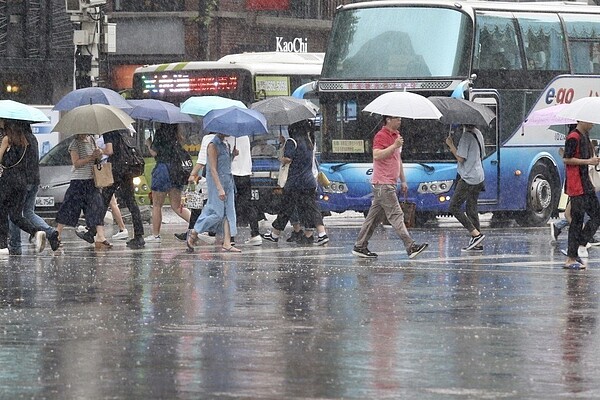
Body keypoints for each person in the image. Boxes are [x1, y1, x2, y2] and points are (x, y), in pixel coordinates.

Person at [352, 115, 428, 259]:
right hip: (383, 183)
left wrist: (403, 180)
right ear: (388, 119)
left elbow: (397, 160)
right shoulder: (381, 136)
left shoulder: (397, 136)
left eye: (400, 118)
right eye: (396, 118)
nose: (400, 121)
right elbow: (377, 155)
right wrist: (394, 146)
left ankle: (360, 245)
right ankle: (410, 246)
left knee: (373, 218)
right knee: (396, 215)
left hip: (389, 183)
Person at [261, 120, 329, 245]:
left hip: (295, 182)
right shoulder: (309, 141)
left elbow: (287, 159)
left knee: (286, 208)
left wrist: (280, 155)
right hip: (309, 181)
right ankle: (322, 234)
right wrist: (283, 143)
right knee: (311, 208)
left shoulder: (292, 141)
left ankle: (275, 234)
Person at [2, 120, 60, 255]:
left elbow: (10, 162)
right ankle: (50, 233)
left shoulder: (16, 140)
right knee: (28, 212)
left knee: (14, 214)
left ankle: (15, 245)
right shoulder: (32, 138)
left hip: (22, 181)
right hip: (34, 180)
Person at [55, 134, 112, 249]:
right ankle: (57, 234)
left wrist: (99, 154)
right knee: (69, 208)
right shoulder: (75, 144)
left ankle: (101, 237)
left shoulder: (92, 140)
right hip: (78, 181)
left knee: (97, 207)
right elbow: (76, 163)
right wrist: (91, 157)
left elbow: (96, 160)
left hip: (91, 180)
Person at [187, 133, 239, 252]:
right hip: (217, 182)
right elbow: (213, 169)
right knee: (217, 213)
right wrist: (219, 188)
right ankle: (195, 231)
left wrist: (233, 155)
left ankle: (227, 242)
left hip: (228, 181)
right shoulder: (212, 145)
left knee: (229, 212)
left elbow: (225, 163)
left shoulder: (226, 145)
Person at [562, 120, 600, 269]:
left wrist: (592, 158)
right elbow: (566, 159)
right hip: (577, 185)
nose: (592, 124)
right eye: (589, 121)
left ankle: (579, 244)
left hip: (587, 184)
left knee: (597, 215)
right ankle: (571, 257)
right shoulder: (573, 137)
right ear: (581, 120)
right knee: (577, 220)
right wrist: (587, 161)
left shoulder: (585, 136)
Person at [99, 129, 146, 249]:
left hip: (116, 169)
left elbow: (109, 150)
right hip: (127, 168)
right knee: (131, 202)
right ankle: (139, 235)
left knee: (104, 200)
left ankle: (93, 231)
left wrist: (100, 151)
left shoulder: (108, 131)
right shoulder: (124, 130)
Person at [145, 124, 191, 243]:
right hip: (176, 171)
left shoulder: (160, 133)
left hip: (163, 170)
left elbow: (155, 153)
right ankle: (198, 226)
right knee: (176, 206)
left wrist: (149, 143)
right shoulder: (177, 135)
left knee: (156, 205)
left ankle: (156, 235)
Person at [445, 124, 486, 251]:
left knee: (454, 207)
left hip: (468, 177)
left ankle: (476, 234)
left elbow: (460, 158)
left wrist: (450, 145)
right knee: (471, 209)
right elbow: (482, 154)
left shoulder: (466, 136)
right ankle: (477, 243)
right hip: (479, 176)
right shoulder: (478, 133)